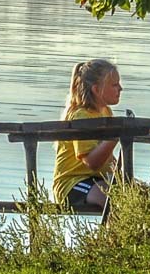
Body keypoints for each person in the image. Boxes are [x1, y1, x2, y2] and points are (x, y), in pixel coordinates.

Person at [51, 59, 122, 210]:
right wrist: (115, 135)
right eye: (114, 85)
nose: (120, 88)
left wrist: (121, 176)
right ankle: (115, 234)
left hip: (99, 179)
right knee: (112, 198)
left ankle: (144, 234)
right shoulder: (81, 116)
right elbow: (92, 162)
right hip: (72, 182)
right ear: (96, 90)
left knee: (149, 196)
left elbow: (105, 157)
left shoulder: (106, 112)